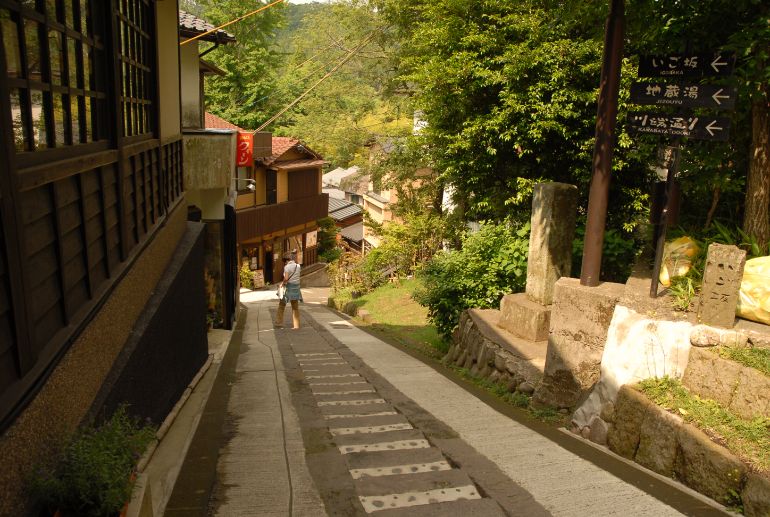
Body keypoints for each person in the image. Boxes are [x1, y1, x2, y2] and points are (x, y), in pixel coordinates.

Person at [275, 251, 302, 328]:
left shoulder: (287, 267)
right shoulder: (298, 266)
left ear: (286, 260)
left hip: (288, 288)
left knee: (282, 305)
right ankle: (296, 325)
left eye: (284, 262)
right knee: (295, 308)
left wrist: (282, 284)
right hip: (296, 288)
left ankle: (278, 323)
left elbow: (286, 278)